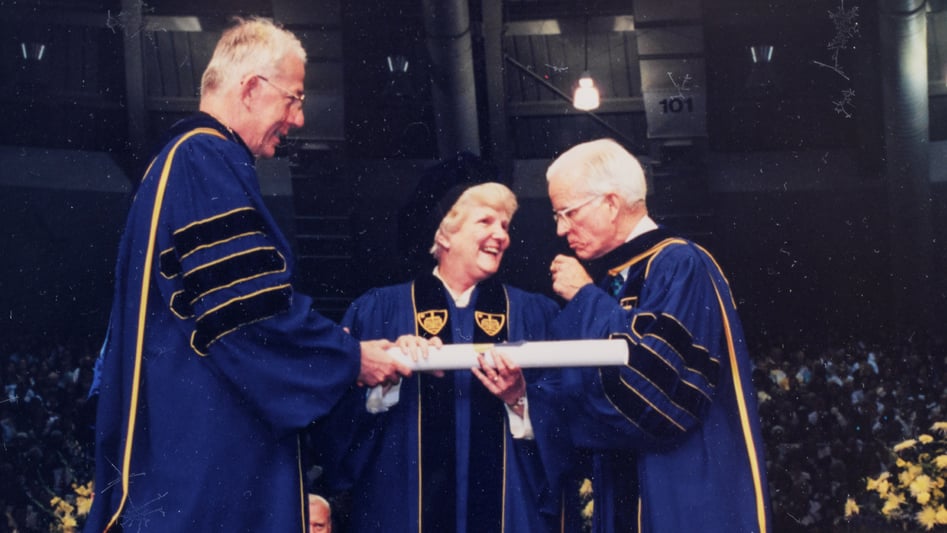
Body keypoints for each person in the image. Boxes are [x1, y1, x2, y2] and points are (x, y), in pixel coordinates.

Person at [84, 17, 410, 533]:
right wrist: (348, 357)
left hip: (184, 446)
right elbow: (245, 313)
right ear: (253, 88)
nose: (299, 118)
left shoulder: (176, 163)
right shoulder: (202, 158)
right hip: (204, 463)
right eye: (294, 98)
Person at [545, 138, 772, 532]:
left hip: (684, 492)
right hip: (628, 494)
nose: (561, 229)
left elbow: (662, 395)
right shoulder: (611, 279)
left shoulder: (679, 263)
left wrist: (585, 299)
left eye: (567, 212)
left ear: (611, 203)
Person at [313, 182, 565, 533]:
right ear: (445, 235)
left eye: (505, 226)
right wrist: (386, 379)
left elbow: (570, 416)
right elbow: (334, 424)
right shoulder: (380, 312)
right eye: (486, 222)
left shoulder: (533, 314)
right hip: (402, 512)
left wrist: (520, 398)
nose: (501, 235)